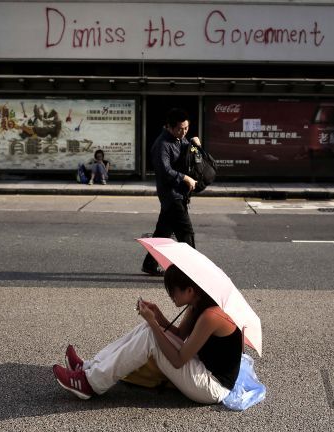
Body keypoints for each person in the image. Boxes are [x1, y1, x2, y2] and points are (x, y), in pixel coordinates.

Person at [52, 264, 243, 404]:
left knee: (151, 334)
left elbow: (179, 360)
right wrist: (158, 317)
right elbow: (179, 335)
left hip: (213, 386)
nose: (171, 296)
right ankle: (88, 367)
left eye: (173, 291)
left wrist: (153, 323)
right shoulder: (196, 305)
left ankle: (89, 384)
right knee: (148, 330)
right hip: (200, 367)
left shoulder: (211, 316)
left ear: (190, 290)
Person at [141, 108, 200, 276]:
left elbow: (191, 155)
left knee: (163, 232)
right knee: (186, 232)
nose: (184, 132)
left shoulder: (180, 139)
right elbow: (164, 171)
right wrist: (184, 178)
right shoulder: (162, 145)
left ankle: (149, 264)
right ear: (169, 127)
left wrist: (196, 146)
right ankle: (193, 270)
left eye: (186, 128)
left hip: (180, 194)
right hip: (171, 196)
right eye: (180, 128)